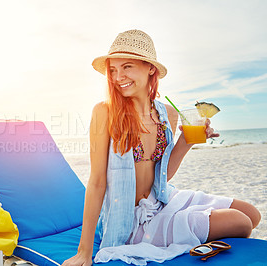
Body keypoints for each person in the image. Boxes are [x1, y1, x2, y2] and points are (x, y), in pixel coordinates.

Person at [62, 29, 261, 265]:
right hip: (136, 221)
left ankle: (188, 236)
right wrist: (84, 252)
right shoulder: (105, 112)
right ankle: (187, 240)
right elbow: (96, 182)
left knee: (252, 213)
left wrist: (186, 142)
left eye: (127, 67)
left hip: (164, 200)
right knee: (240, 222)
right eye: (113, 70)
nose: (117, 77)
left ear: (150, 68)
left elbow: (162, 176)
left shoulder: (168, 114)